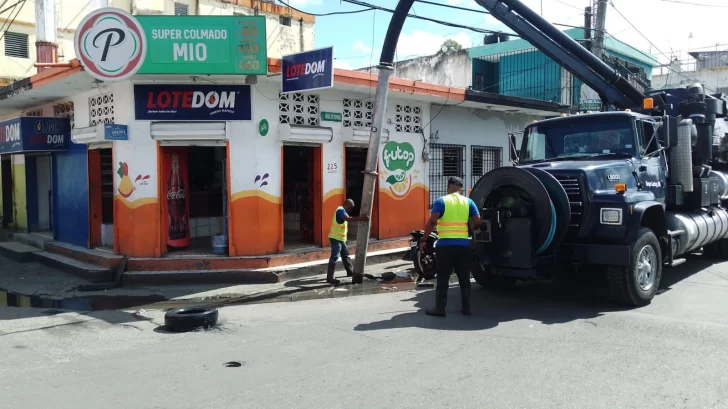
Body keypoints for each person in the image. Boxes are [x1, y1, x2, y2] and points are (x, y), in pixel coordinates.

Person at [419, 176, 481, 317]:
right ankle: (466, 308)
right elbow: (477, 222)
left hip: (445, 246)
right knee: (464, 277)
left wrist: (424, 239)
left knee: (443, 277)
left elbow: (432, 222)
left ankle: (440, 309)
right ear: (460, 188)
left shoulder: (442, 201)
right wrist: (469, 229)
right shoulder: (468, 202)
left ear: (449, 186)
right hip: (464, 246)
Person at [327, 199, 369, 285]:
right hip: (335, 238)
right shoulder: (340, 210)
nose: (350, 210)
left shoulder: (343, 211)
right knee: (334, 256)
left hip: (341, 239)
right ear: (346, 204)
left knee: (345, 255)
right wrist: (362, 218)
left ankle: (350, 272)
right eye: (350, 207)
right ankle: (330, 278)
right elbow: (347, 219)